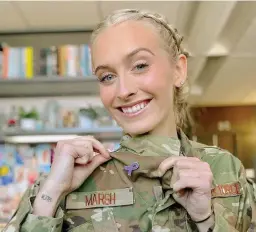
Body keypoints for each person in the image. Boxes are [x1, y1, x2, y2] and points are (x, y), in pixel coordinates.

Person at [3, 9, 256, 232]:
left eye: (140, 65)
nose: (123, 90)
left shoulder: (226, 170)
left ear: (178, 70)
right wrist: (52, 193)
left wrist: (206, 221)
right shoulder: (67, 184)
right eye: (107, 77)